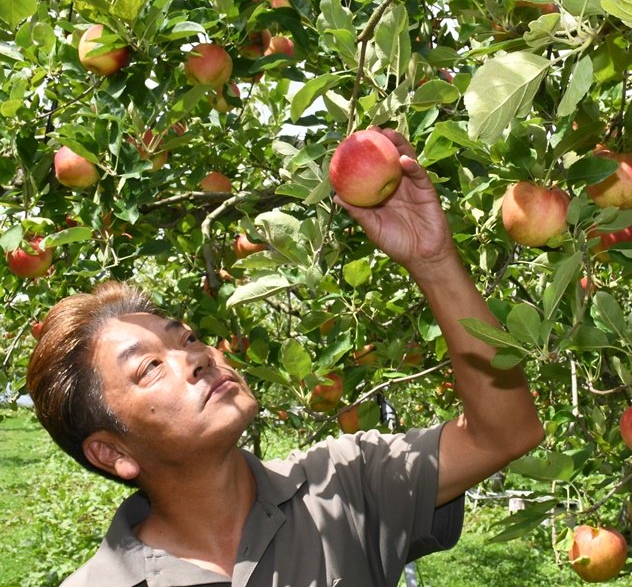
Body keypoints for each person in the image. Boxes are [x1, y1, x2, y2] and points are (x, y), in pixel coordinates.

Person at [26, 128, 545, 587]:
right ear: (110, 452)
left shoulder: (343, 484)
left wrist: (433, 261)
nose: (197, 358)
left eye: (187, 339)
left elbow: (505, 434)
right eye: (149, 367)